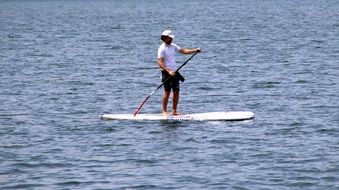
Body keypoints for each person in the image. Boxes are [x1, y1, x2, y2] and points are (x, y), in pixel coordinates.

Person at [157, 30, 201, 115]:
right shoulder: (161, 48)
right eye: (170, 38)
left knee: (176, 91)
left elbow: (183, 51)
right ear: (165, 38)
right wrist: (169, 71)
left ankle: (174, 111)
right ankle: (164, 111)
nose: (171, 39)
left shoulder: (173, 46)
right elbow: (160, 63)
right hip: (166, 72)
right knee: (167, 92)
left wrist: (194, 50)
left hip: (175, 72)